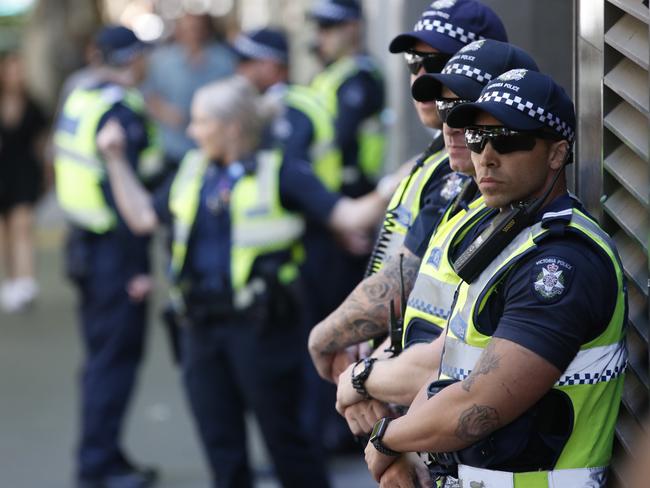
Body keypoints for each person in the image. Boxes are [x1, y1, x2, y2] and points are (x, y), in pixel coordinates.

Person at [96, 75, 403, 488]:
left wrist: (393, 186)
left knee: (289, 444)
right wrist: (115, 160)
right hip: (199, 333)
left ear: (232, 128)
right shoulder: (190, 172)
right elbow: (141, 218)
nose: (191, 131)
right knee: (222, 450)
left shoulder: (282, 172)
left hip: (262, 331)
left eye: (200, 121)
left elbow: (346, 216)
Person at [364, 69, 627, 488]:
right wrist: (411, 448)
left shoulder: (562, 264)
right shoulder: (507, 235)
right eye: (477, 138)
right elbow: (451, 365)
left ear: (557, 153)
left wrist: (386, 439)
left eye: (507, 140)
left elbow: (479, 407)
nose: (486, 155)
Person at [333, 39, 539, 485]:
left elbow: (451, 372)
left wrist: (366, 387)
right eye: (447, 110)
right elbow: (433, 334)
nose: (453, 128)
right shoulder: (470, 209)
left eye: (472, 118)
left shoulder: (539, 244)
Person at [308, 0, 508, 384]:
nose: (419, 78)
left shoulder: (475, 165)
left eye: (434, 65)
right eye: (413, 64)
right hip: (406, 372)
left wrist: (330, 344)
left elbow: (406, 279)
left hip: (435, 383)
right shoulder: (442, 154)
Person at [53, 26, 160, 488]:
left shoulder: (82, 98)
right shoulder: (119, 112)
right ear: (132, 60)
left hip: (85, 245)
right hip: (114, 255)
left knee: (101, 359)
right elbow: (125, 197)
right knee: (113, 362)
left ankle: (106, 454)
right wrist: (138, 268)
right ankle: (98, 466)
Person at [143, 13, 236, 171]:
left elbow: (234, 96)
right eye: (187, 29)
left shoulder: (224, 60)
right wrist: (164, 112)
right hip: (173, 147)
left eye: (197, 29)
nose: (192, 34)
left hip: (212, 147)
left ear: (207, 31)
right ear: (178, 31)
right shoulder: (161, 61)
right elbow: (148, 95)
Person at [0, 51, 49, 313]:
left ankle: (26, 281)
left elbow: (42, 144)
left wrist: (47, 174)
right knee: (3, 233)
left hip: (23, 173)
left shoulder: (33, 105)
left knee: (22, 226)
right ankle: (10, 281)